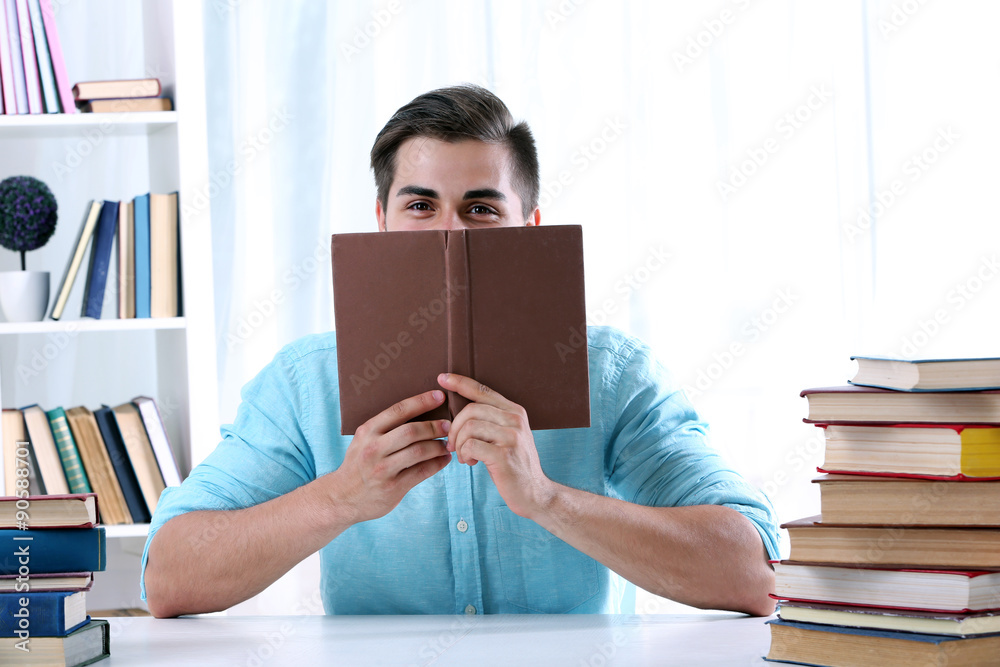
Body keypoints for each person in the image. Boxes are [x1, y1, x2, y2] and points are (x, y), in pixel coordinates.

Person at [142, 84, 780, 618]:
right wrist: (339, 498)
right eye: (421, 205)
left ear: (530, 229)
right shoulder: (306, 381)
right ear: (382, 222)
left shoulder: (613, 374)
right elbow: (168, 576)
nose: (448, 233)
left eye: (480, 208)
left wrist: (546, 499)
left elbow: (757, 570)